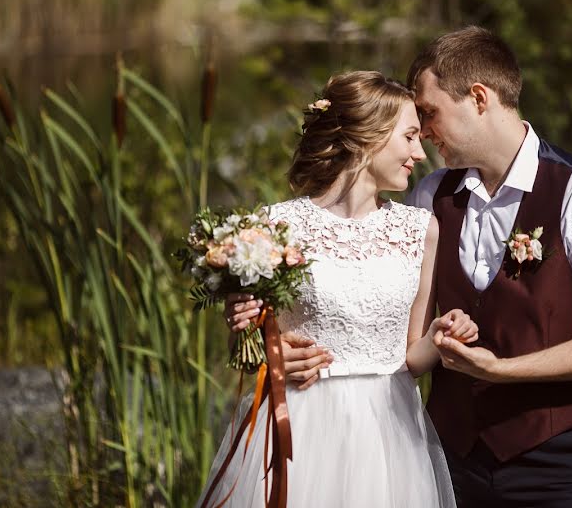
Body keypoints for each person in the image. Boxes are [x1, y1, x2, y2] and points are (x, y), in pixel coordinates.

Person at [228, 27, 572, 506]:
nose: (424, 135)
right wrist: (266, 334)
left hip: (563, 469)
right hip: (452, 467)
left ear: (478, 98)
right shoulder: (428, 198)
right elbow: (372, 311)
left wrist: (504, 370)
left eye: (428, 114)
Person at [197, 71, 475, 507]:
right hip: (302, 428)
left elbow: (410, 357)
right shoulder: (277, 227)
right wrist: (260, 343)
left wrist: (442, 337)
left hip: (389, 436)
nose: (419, 154)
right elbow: (247, 346)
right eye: (409, 137)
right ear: (369, 137)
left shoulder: (420, 229)